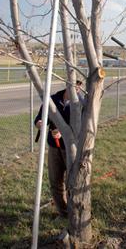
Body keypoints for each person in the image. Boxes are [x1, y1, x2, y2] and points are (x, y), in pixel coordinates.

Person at [34, 80, 84, 218]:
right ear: (67, 85)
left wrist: (64, 132)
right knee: (55, 181)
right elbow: (39, 119)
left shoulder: (81, 104)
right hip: (54, 147)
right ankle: (63, 214)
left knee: (72, 182)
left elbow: (83, 127)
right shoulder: (53, 99)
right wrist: (41, 124)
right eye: (74, 85)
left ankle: (75, 214)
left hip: (72, 149)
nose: (77, 88)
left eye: (79, 85)